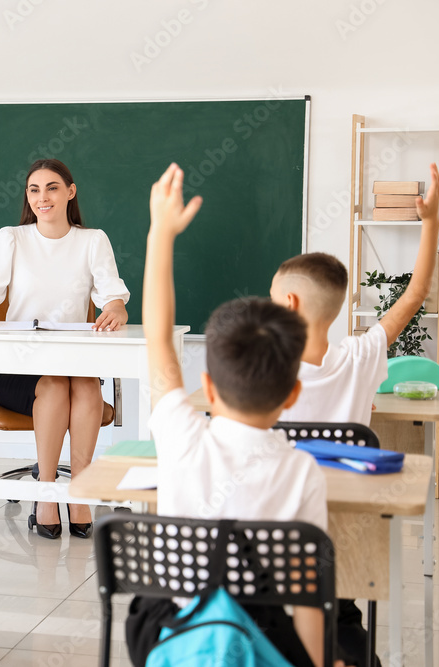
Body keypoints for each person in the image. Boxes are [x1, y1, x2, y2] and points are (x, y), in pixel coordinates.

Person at [142, 164, 332, 666]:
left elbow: (157, 338)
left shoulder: (182, 434)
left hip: (172, 636)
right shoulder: (301, 471)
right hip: (260, 636)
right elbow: (307, 596)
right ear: (292, 394)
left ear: (206, 386)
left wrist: (161, 234)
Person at [269, 164, 439, 666]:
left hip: (277, 531)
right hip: (350, 535)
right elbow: (413, 296)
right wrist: (429, 222)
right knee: (342, 611)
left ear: (290, 302)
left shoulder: (265, 371)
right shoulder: (362, 356)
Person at [0, 158, 129, 539]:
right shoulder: (12, 238)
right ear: (28, 197)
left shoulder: (92, 240)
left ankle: (80, 494)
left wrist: (115, 308)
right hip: (19, 366)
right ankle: (47, 494)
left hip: (72, 361)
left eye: (52, 187)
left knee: (86, 385)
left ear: (70, 192)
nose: (43, 197)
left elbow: (113, 299)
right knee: (55, 384)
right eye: (34, 190)